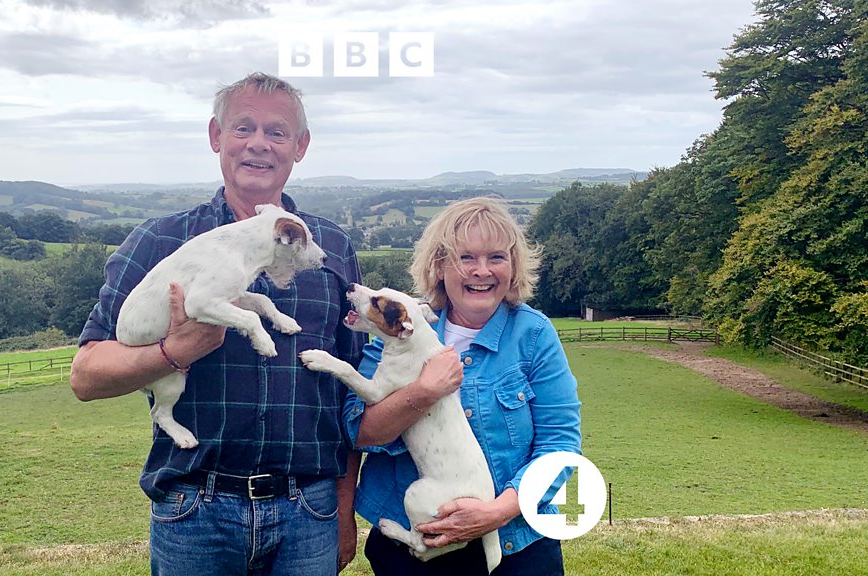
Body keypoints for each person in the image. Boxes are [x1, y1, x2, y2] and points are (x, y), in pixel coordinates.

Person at [70, 72, 362, 576]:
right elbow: (86, 376)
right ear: (216, 136)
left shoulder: (331, 248)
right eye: (243, 127)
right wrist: (173, 352)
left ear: (300, 146)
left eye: (277, 132)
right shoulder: (159, 241)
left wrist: (343, 506)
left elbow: (351, 392)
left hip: (310, 512)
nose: (258, 144)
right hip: (195, 511)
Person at [344, 197, 582, 575]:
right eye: (465, 257)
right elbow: (359, 431)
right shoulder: (402, 327)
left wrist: (495, 513)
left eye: (496, 257)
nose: (481, 271)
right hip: (412, 547)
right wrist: (424, 392)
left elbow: (560, 446)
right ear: (439, 266)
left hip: (516, 546)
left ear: (513, 266)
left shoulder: (534, 335)